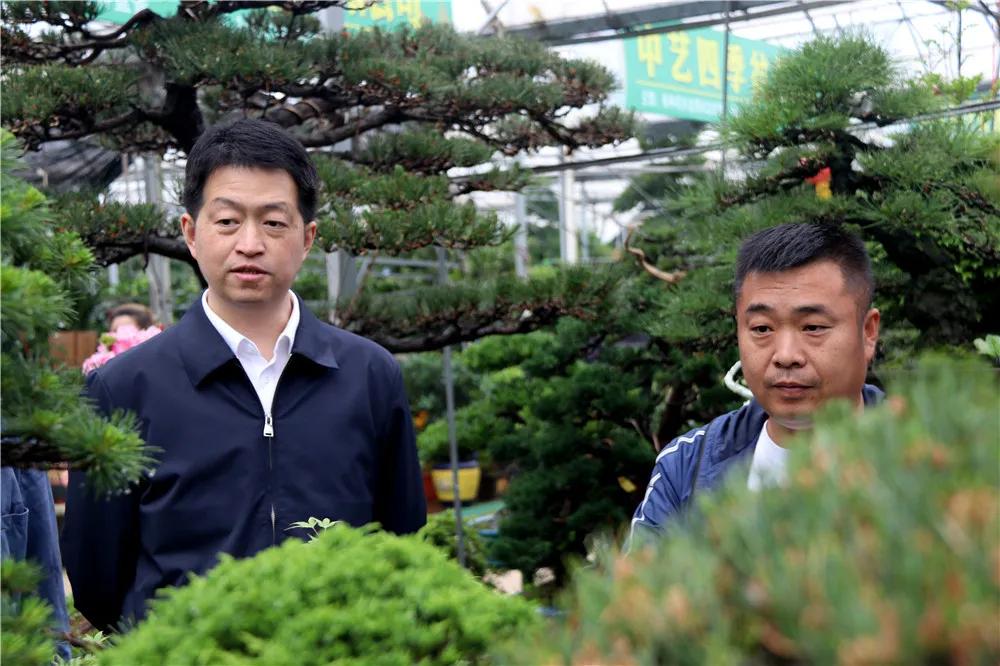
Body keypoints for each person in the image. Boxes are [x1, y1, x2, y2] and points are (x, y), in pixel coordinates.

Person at [62, 118, 426, 632]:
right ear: (191, 234)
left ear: (307, 238)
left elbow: (402, 537)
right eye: (228, 221)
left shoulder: (369, 375)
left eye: (274, 222)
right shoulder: (123, 388)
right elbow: (99, 578)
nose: (250, 243)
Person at [629, 222, 882, 545]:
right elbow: (637, 592)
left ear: (868, 332)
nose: (786, 355)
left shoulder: (937, 457)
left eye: (813, 327)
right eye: (762, 329)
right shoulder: (686, 466)